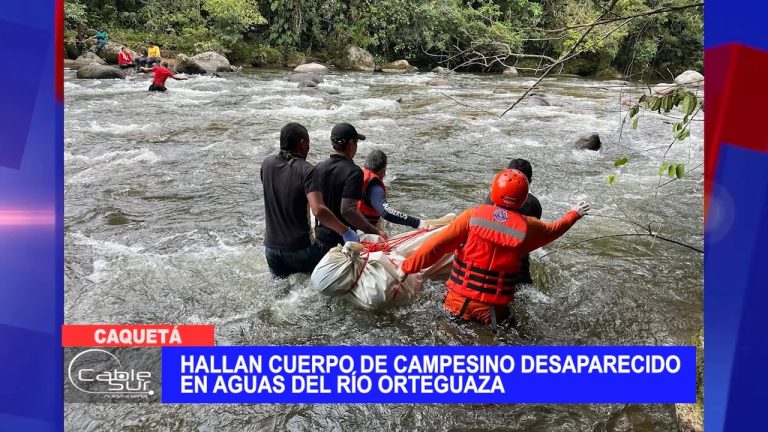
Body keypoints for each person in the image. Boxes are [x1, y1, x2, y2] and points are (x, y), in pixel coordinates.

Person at [397, 169, 589, 329]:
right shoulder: (530, 227)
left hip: (457, 303)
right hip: (492, 311)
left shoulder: (470, 217)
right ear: (523, 200)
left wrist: (407, 267)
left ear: (493, 192)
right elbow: (555, 229)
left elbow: (436, 247)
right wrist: (574, 214)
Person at [261, 123, 360, 277]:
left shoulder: (267, 164)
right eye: (308, 143)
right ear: (302, 144)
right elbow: (318, 210)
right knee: (340, 268)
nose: (309, 148)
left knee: (282, 292)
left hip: (271, 250)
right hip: (301, 249)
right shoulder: (307, 170)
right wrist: (345, 231)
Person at [314, 123, 387, 251]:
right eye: (357, 143)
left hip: (321, 237)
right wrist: (375, 232)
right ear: (352, 143)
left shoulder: (319, 167)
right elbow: (348, 211)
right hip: (345, 241)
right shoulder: (354, 172)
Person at [484, 158, 542, 284]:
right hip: (518, 274)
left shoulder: (490, 197)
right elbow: (533, 238)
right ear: (529, 182)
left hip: (487, 268)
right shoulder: (533, 204)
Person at [358, 150, 438, 230]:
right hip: (359, 234)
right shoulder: (375, 188)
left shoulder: (355, 175)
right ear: (383, 171)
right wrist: (418, 223)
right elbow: (387, 213)